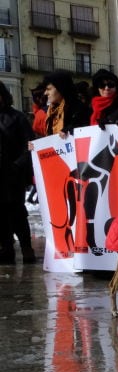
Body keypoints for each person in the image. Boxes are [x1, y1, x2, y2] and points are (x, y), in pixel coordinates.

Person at [0, 82, 36, 265]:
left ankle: (26, 247)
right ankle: (5, 249)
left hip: (13, 175)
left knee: (17, 212)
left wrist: (17, 166)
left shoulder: (18, 117)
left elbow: (29, 145)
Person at [39, 70, 91, 136]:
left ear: (60, 88)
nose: (45, 93)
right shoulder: (51, 112)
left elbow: (88, 134)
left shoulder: (80, 110)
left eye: (49, 89)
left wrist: (72, 129)